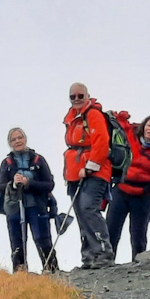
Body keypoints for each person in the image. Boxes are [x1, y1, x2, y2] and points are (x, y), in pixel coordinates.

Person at [106, 114, 150, 262]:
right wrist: (120, 116)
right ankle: (107, 263)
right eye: (149, 125)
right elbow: (121, 125)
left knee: (138, 234)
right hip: (121, 191)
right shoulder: (131, 138)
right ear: (143, 127)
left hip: (144, 196)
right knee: (111, 229)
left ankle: (138, 265)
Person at [63, 82, 116, 269]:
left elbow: (101, 142)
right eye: (73, 96)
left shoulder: (93, 114)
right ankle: (89, 256)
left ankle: (103, 253)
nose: (77, 99)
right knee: (80, 212)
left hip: (95, 171)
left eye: (80, 96)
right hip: (75, 174)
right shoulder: (72, 118)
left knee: (88, 209)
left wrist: (90, 167)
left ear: (87, 96)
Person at [0, 128, 59, 273]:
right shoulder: (7, 163)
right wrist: (13, 184)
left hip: (37, 207)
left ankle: (53, 272)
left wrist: (28, 183)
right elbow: (0, 186)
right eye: (14, 139)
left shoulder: (38, 159)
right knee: (17, 243)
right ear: (10, 143)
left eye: (20, 137)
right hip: (15, 209)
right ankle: (20, 274)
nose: (17, 141)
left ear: (25, 139)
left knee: (43, 240)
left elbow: (49, 184)